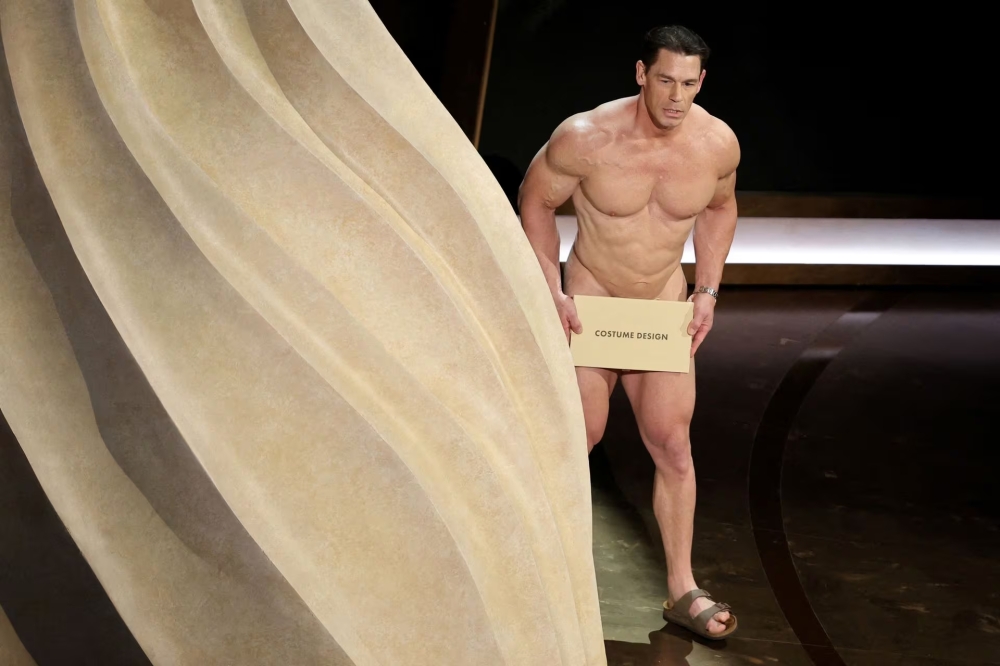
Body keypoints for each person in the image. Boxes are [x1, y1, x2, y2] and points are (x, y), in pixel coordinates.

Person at [517, 25, 740, 640]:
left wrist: (707, 290)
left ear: (702, 82)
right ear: (642, 74)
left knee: (672, 444)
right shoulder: (586, 136)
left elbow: (721, 207)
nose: (676, 97)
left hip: (662, 306)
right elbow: (535, 202)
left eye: (689, 83)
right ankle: (536, 576)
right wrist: (551, 288)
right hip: (592, 303)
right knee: (578, 438)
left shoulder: (716, 143)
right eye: (665, 80)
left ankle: (682, 589)